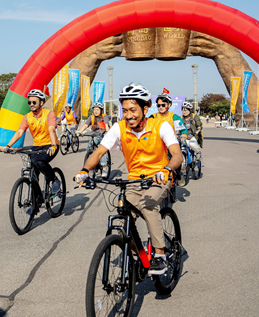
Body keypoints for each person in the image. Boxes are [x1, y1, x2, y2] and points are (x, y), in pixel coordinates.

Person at [75, 84, 183, 275]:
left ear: (145, 108)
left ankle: (160, 255)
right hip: (133, 180)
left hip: (159, 177)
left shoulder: (161, 125)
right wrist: (84, 170)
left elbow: (177, 155)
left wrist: (167, 169)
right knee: (122, 220)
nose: (128, 115)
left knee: (148, 204)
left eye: (133, 110)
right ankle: (138, 255)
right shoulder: (119, 128)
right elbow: (99, 151)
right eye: (124, 110)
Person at [2, 89, 61, 196]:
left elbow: (51, 130)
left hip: (50, 144)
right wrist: (8, 145)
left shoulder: (49, 114)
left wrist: (53, 145)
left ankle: (54, 179)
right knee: (32, 171)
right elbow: (20, 132)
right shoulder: (27, 117)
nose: (31, 104)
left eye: (34, 102)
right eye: (29, 102)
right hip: (36, 147)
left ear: (41, 103)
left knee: (41, 163)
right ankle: (35, 201)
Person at [77, 102, 110, 176]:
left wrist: (108, 132)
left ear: (101, 110)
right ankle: (91, 165)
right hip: (94, 136)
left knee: (102, 150)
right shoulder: (91, 117)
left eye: (97, 110)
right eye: (94, 109)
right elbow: (85, 125)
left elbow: (107, 126)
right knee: (88, 148)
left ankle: (104, 168)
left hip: (102, 136)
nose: (96, 111)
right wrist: (79, 132)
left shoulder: (104, 117)